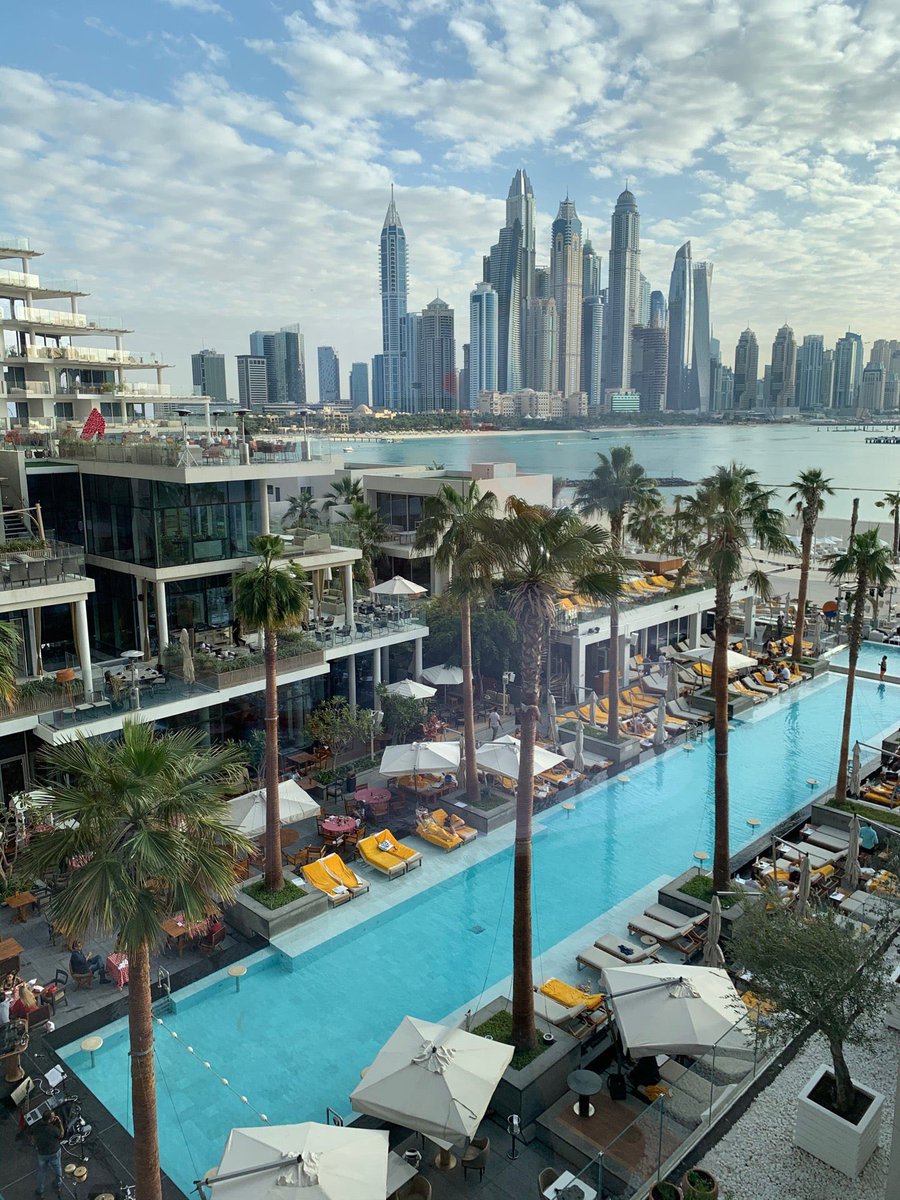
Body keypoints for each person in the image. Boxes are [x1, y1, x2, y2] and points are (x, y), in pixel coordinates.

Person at [33, 1109, 64, 1197]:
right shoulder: (53, 1130)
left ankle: (40, 1190)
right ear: (50, 1120)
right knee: (58, 1169)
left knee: (41, 1172)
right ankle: (57, 1184)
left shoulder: (37, 1126)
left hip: (42, 1154)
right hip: (53, 1153)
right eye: (53, 1117)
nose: (55, 1118)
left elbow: (33, 1136)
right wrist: (60, 1122)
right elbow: (61, 1134)